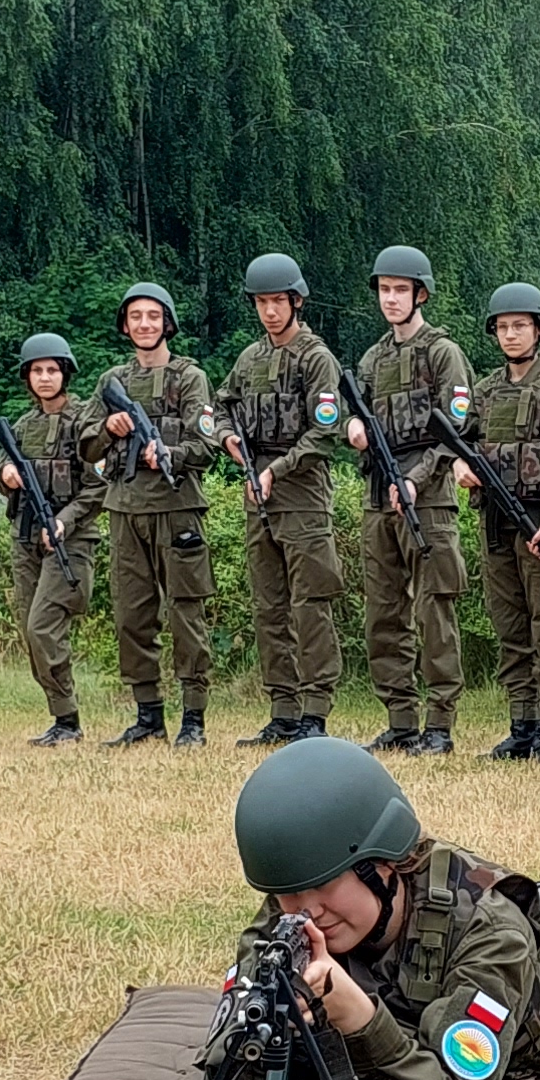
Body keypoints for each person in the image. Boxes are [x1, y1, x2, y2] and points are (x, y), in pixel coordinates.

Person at [227, 737, 540, 1080]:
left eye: (325, 885)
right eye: (288, 892)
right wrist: (274, 1028)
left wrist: (356, 1019)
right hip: (415, 1001)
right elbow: (225, 1077)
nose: (308, 909)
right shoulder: (289, 921)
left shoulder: (492, 931)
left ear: (383, 865)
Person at [216, 251, 352, 747]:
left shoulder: (317, 358)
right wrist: (228, 440)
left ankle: (315, 711)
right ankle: (283, 709)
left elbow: (325, 429)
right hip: (258, 494)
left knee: (310, 604)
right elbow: (220, 409)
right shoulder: (250, 359)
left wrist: (277, 468)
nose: (270, 311)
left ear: (296, 301)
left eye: (278, 301)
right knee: (268, 606)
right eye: (261, 302)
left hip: (302, 495)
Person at [347, 244, 471, 754]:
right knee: (383, 613)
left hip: (430, 497)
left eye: (400, 290)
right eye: (384, 290)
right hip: (380, 495)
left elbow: (457, 426)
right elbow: (355, 416)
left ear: (420, 294)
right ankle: (400, 719)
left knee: (433, 611)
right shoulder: (373, 358)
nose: (391, 299)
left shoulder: (443, 353)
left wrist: (418, 479)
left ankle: (439, 725)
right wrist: (353, 427)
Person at [91, 280, 220, 747]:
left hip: (177, 509)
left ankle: (193, 720)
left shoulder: (189, 378)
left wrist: (169, 452)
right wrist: (109, 427)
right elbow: (85, 447)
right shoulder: (112, 382)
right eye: (135, 317)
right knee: (131, 614)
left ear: (167, 323)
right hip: (125, 510)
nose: (144, 325)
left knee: (186, 612)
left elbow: (206, 447)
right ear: (125, 326)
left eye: (153, 316)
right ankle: (148, 716)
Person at [462, 281, 540, 760]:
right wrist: (462, 467)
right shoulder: (486, 390)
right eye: (503, 327)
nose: (511, 335)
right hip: (495, 522)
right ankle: (520, 725)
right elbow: (462, 443)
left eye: (520, 326)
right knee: (510, 627)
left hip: (538, 520)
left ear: (539, 329)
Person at [0, 329, 100, 745]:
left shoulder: (85, 422)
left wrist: (64, 522)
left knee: (42, 627)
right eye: (37, 370)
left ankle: (68, 720)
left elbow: (97, 487)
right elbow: (2, 467)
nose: (45, 377)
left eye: (52, 369)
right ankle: (62, 717)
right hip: (25, 539)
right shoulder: (22, 425)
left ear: (65, 373)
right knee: (30, 630)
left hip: (70, 541)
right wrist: (6, 474)